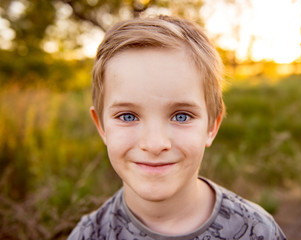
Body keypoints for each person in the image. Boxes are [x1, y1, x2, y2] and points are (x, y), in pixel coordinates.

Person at [68, 15, 286, 240]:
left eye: (181, 116)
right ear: (101, 126)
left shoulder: (256, 231)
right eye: (127, 116)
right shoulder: (89, 235)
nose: (154, 144)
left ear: (212, 125)